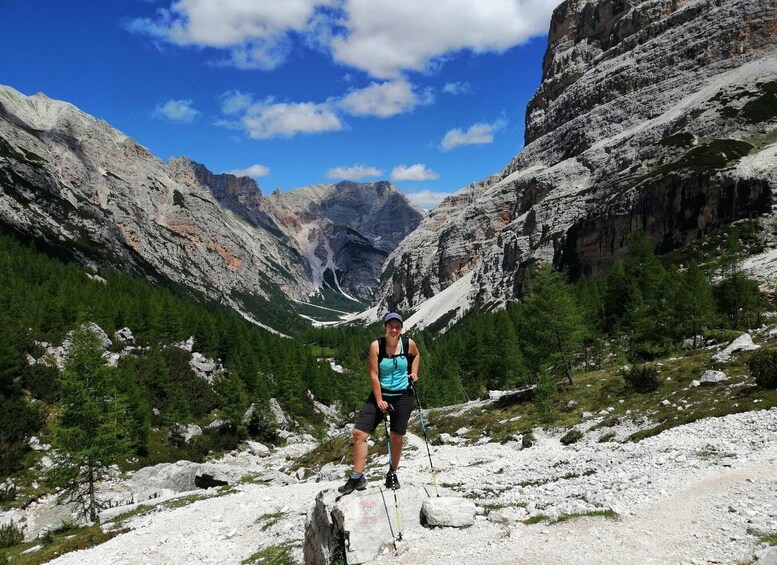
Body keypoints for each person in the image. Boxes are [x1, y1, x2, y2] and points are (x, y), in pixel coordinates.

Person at [338, 312, 420, 494]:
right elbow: (373, 374)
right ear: (385, 327)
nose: (394, 329)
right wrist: (380, 399)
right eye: (390, 326)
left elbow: (415, 355)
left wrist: (414, 373)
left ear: (401, 328)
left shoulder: (408, 344)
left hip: (403, 395)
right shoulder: (377, 346)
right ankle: (357, 477)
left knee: (396, 437)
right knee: (359, 433)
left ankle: (392, 472)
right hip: (381, 394)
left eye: (397, 326)